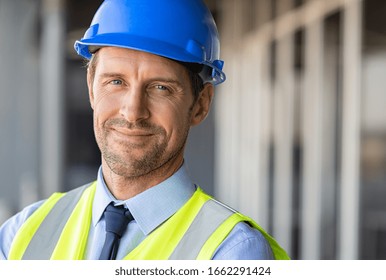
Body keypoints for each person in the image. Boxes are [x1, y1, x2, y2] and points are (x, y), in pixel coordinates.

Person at [0, 0, 289, 260]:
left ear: (200, 104)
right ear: (91, 87)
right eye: (116, 82)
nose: (133, 112)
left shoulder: (232, 252)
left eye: (160, 88)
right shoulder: (23, 233)